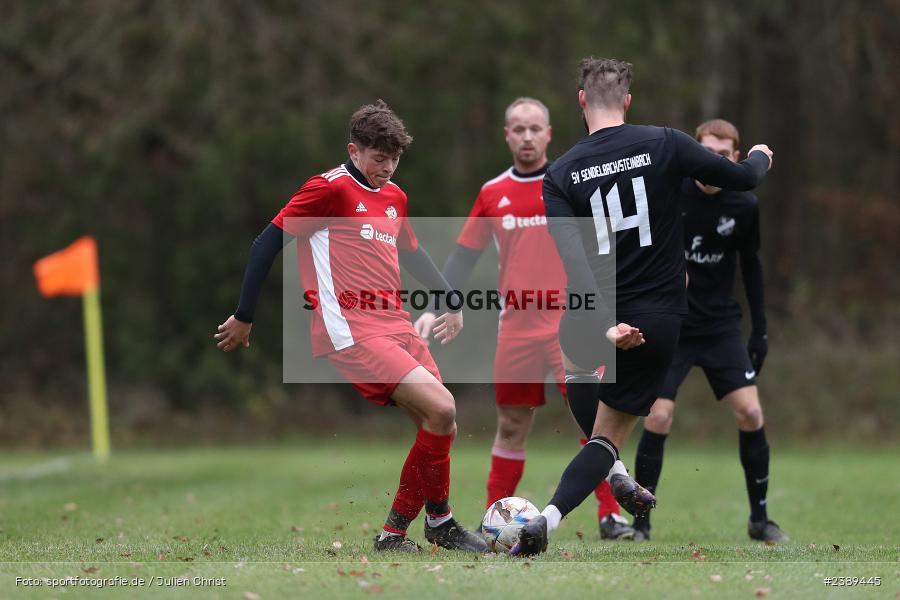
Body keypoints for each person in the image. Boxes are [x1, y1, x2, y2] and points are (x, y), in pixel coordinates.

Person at [511, 58, 773, 555]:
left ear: (582, 101)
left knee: (576, 372)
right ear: (627, 102)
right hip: (656, 321)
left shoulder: (560, 173)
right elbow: (742, 178)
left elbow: (574, 263)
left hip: (591, 315)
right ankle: (551, 515)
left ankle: (612, 472)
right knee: (607, 437)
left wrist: (602, 323)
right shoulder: (666, 142)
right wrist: (759, 155)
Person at [214, 100, 488, 554]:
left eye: (395, 159)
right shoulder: (328, 189)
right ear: (354, 150)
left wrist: (451, 299)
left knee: (442, 423)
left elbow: (413, 253)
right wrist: (245, 316)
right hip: (351, 328)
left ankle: (420, 527)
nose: (388, 168)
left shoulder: (395, 197)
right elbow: (266, 244)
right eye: (379, 158)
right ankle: (424, 526)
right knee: (442, 408)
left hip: (396, 324)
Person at [414, 97, 633, 540]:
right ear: (507, 135)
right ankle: (493, 520)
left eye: (536, 128)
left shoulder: (570, 182)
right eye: (519, 129)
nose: (528, 136)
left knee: (589, 419)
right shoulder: (493, 192)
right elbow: (461, 257)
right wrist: (437, 303)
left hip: (572, 323)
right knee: (511, 424)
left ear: (549, 133)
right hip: (515, 327)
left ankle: (610, 516)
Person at [631, 119, 788, 543]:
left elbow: (752, 267)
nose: (713, 161)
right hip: (672, 322)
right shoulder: (669, 195)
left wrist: (761, 332)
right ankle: (641, 524)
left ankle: (760, 519)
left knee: (751, 412)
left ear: (736, 158)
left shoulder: (743, 205)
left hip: (720, 326)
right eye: (707, 152)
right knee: (659, 415)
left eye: (723, 154)